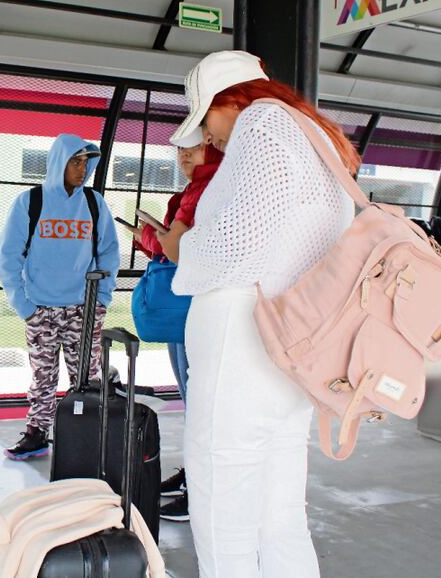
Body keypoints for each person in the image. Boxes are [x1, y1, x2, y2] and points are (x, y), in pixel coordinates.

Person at [159, 50, 358, 577]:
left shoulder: (261, 124)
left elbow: (236, 242)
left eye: (204, 121)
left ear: (226, 101)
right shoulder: (312, 134)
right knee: (280, 510)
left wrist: (183, 248)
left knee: (221, 491)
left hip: (242, 338)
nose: (207, 138)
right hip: (291, 341)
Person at [0, 135, 120, 460]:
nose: (82, 169)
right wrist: (25, 307)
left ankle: (89, 435)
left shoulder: (94, 203)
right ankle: (37, 434)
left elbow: (109, 253)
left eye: (85, 162)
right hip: (41, 309)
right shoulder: (30, 202)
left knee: (86, 378)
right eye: (75, 162)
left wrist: (101, 301)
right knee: (43, 377)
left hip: (84, 308)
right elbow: (8, 256)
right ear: (58, 163)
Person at [123, 133, 223, 522]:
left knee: (202, 400)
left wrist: (151, 238)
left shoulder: (211, 188)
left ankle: (201, 489)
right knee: (192, 396)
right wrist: (151, 239)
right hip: (186, 304)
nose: (183, 155)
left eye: (193, 147)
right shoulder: (190, 192)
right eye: (179, 149)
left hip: (199, 306)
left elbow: (181, 248)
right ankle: (194, 476)